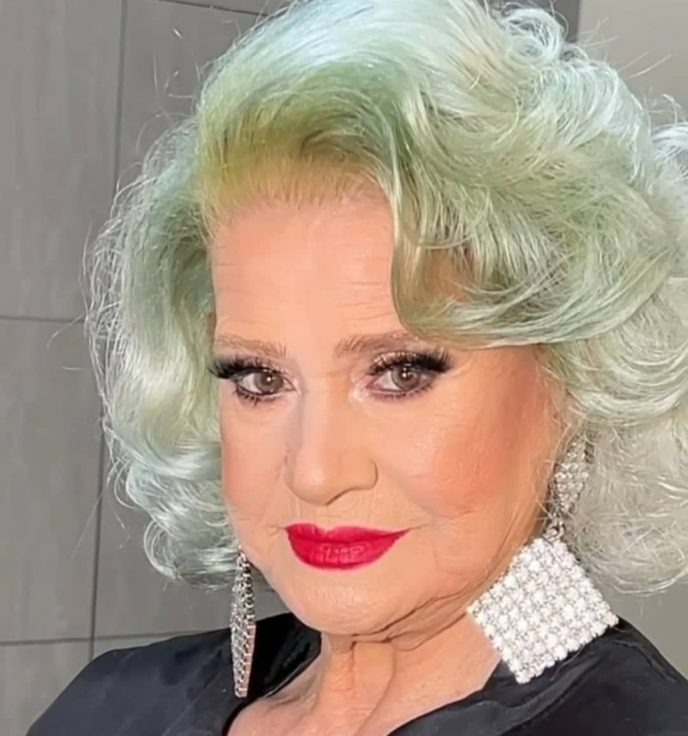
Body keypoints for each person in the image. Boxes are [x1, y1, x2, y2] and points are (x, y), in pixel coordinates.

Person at [28, 0, 688, 733]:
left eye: (399, 373)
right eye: (259, 379)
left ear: (577, 379)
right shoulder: (111, 706)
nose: (315, 472)